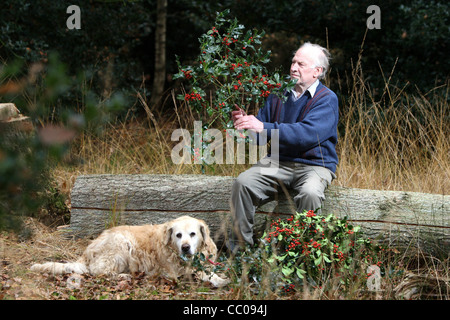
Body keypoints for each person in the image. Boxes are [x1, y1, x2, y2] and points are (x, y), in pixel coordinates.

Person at [228, 42, 339, 252]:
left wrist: (263, 126)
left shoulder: (327, 99)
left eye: (301, 64)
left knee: (310, 194)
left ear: (317, 71)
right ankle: (240, 255)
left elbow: (305, 135)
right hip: (278, 162)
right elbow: (260, 139)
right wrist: (246, 124)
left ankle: (299, 258)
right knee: (243, 182)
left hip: (315, 166)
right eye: (293, 61)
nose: (293, 67)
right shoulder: (279, 93)